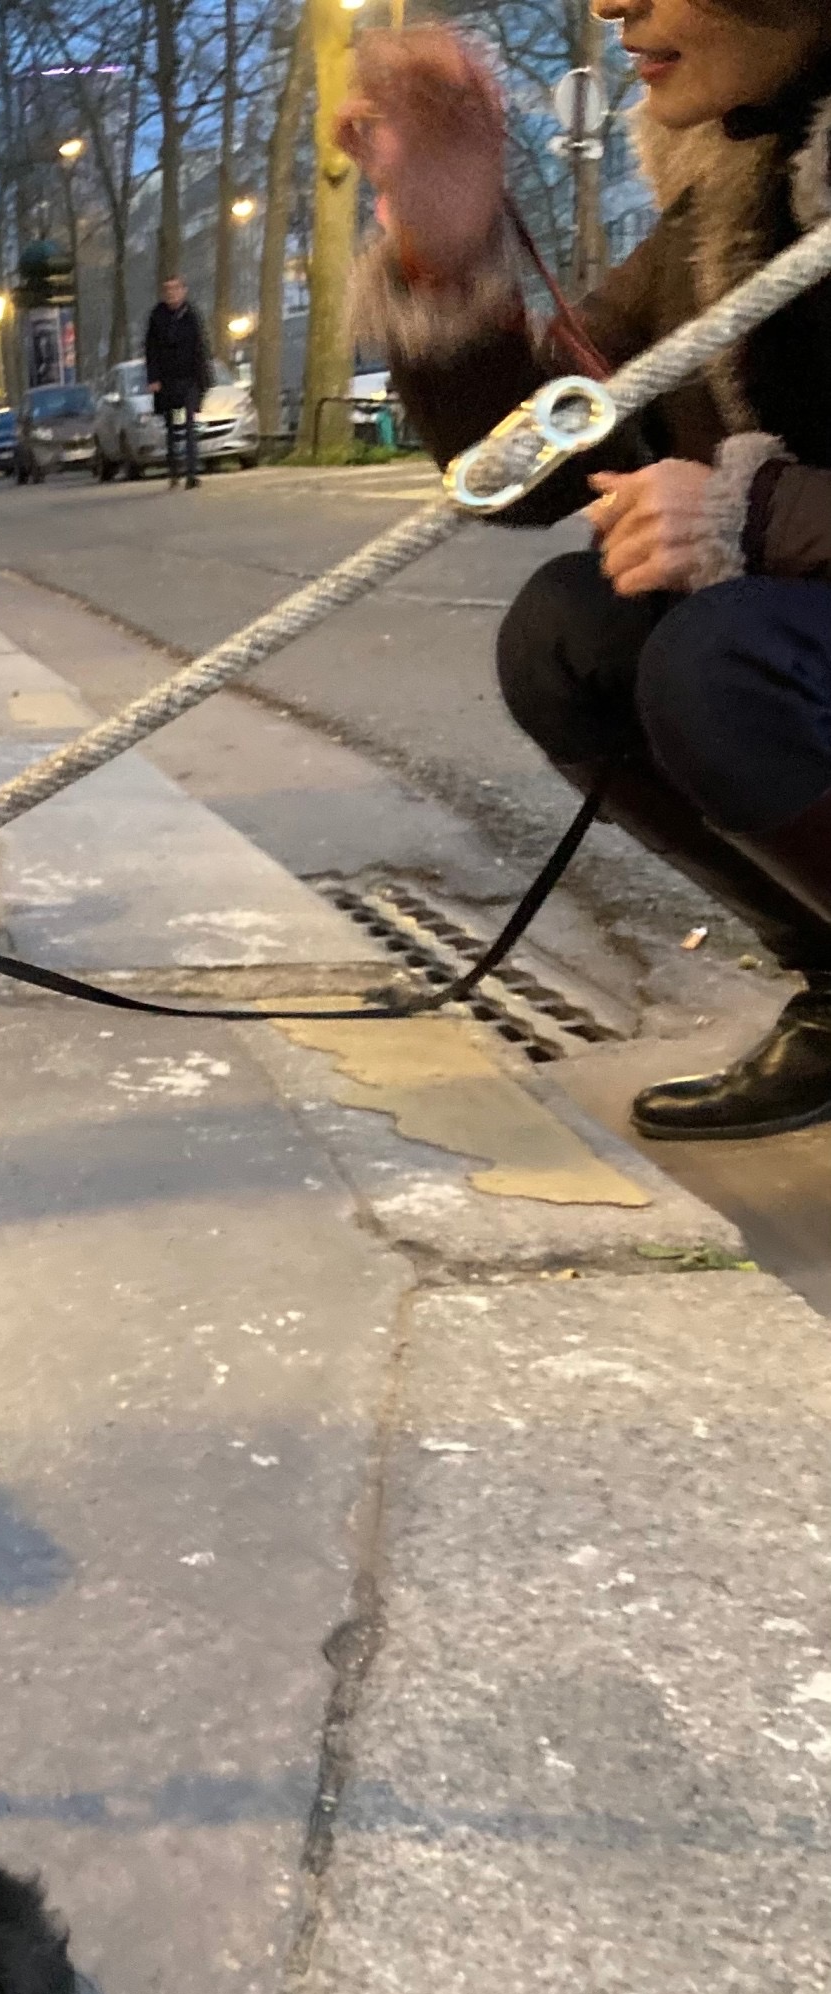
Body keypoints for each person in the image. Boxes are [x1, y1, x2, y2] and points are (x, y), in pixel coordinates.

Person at [342, 1, 831, 1142]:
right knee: (569, 632)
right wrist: (447, 255)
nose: (613, 1)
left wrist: (755, 513)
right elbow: (542, 464)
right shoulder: (733, 188)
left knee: (726, 661)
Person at [144, 274, 214, 489]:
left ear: (183, 291)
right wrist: (154, 378)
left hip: (189, 381)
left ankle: (192, 473)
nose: (172, 294)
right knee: (174, 427)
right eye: (168, 290)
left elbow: (201, 347)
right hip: (168, 384)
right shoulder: (157, 317)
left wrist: (205, 377)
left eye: (175, 289)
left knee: (191, 425)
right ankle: (174, 469)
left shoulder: (192, 316)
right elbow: (151, 349)